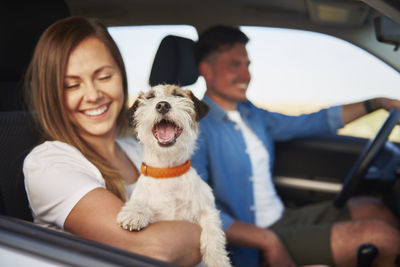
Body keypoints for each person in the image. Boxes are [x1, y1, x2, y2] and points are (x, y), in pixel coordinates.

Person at [191, 25, 400, 267]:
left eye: (247, 65)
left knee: (375, 209)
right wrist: (266, 240)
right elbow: (196, 208)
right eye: (234, 65)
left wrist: (375, 104)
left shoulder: (252, 115)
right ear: (206, 69)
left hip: (282, 218)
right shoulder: (197, 128)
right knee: (381, 238)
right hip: (250, 241)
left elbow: (310, 122)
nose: (246, 75)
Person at [23, 16, 201, 266]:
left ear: (121, 76)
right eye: (72, 85)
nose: (93, 95)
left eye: (104, 77)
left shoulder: (137, 147)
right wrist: (208, 232)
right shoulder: (48, 163)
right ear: (52, 96)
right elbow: (156, 250)